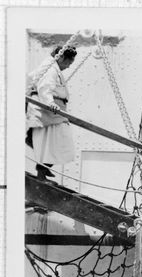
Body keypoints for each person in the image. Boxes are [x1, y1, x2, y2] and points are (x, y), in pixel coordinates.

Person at [26, 45, 77, 180]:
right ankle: (42, 172)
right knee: (52, 143)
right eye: (68, 62)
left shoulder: (54, 68)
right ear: (61, 58)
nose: (68, 66)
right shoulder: (51, 70)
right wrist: (50, 103)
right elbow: (44, 88)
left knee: (55, 142)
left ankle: (44, 168)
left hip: (54, 112)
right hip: (49, 111)